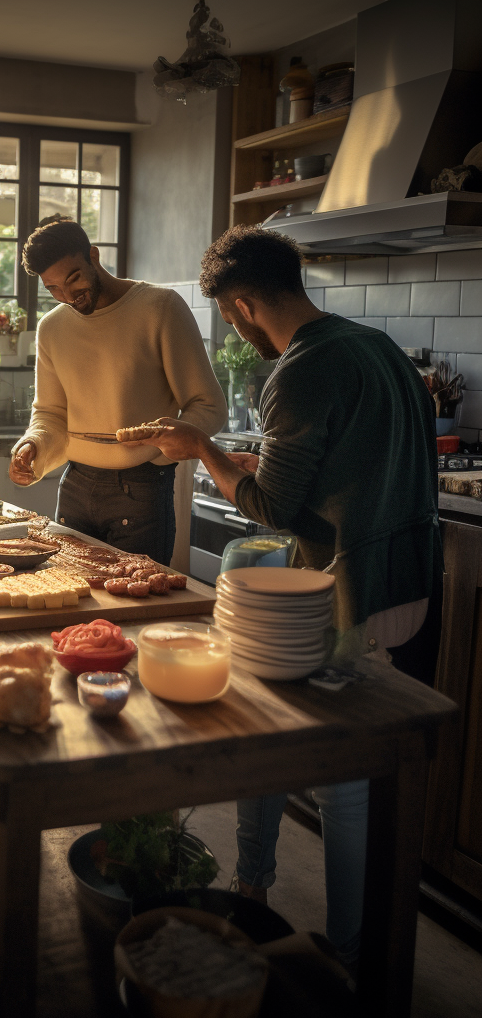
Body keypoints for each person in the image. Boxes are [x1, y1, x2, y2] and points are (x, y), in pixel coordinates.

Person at [139, 225, 443, 973]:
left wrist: (202, 451)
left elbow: (273, 507)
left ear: (242, 306)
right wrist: (251, 459)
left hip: (347, 591)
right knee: (293, 742)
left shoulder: (300, 369)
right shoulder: (375, 346)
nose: (238, 332)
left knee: (336, 774)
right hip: (407, 580)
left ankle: (340, 950)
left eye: (232, 319)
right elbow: (350, 466)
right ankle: (259, 887)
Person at [10, 218, 226, 565]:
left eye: (74, 278)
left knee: (136, 606)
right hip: (75, 486)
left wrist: (160, 452)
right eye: (53, 289)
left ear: (93, 256)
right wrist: (32, 444)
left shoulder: (160, 308)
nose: (67, 297)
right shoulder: (51, 328)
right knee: (71, 603)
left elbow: (208, 405)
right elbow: (50, 413)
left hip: (142, 489)